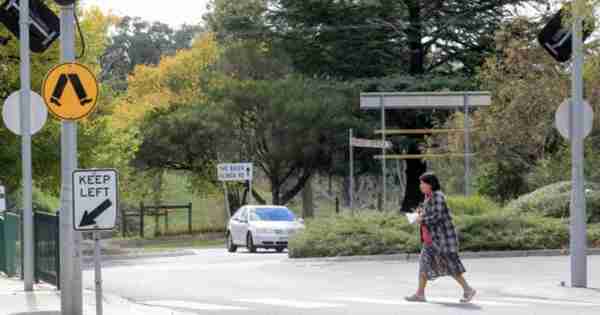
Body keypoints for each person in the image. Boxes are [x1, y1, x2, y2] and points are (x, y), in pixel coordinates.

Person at [405, 172, 476, 303]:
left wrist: (421, 219)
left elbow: (437, 216)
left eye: (422, 183)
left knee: (450, 265)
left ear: (430, 184)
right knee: (423, 264)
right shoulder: (428, 197)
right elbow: (429, 214)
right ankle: (420, 294)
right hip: (430, 240)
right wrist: (419, 214)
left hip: (442, 240)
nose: (420, 186)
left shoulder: (438, 196)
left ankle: (468, 290)